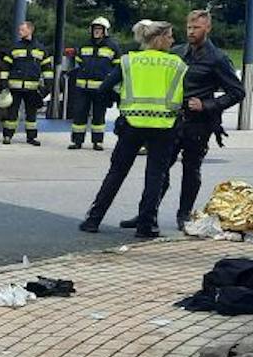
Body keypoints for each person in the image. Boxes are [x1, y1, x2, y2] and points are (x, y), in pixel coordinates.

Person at [79, 20, 186, 239]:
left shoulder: (130, 61)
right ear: (159, 38)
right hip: (164, 127)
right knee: (155, 176)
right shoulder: (177, 63)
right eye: (170, 36)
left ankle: (93, 220)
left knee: (116, 173)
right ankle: (146, 226)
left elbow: (104, 89)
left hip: (131, 126)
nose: (173, 41)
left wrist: (123, 103)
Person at [169, 9, 244, 226]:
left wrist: (208, 105)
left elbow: (237, 92)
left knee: (191, 168)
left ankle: (184, 213)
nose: (191, 32)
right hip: (173, 118)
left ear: (208, 28)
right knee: (161, 166)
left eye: (197, 28)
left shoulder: (217, 58)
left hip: (199, 122)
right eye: (189, 27)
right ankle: (148, 211)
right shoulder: (177, 52)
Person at [67, 17, 119, 151]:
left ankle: (98, 142)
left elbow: (117, 67)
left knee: (99, 115)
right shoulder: (84, 44)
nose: (96, 32)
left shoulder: (113, 46)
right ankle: (77, 141)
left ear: (105, 31)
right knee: (79, 114)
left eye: (99, 29)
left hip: (101, 88)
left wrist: (110, 84)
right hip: (82, 88)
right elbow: (79, 61)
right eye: (95, 29)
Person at [0, 20, 53, 144]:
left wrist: (48, 85)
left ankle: (31, 137)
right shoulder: (14, 48)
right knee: (12, 114)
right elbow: (5, 66)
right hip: (14, 87)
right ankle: (7, 136)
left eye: (22, 30)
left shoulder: (41, 49)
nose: (19, 32)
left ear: (30, 30)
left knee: (31, 115)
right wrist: (3, 83)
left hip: (32, 88)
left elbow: (47, 68)